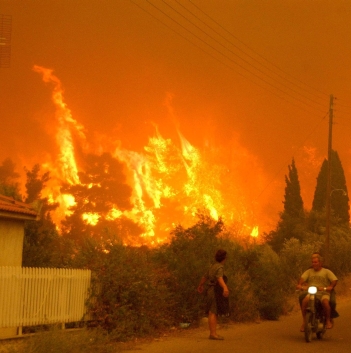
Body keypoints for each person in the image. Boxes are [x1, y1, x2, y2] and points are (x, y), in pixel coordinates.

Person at [296, 253, 338, 332]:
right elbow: (302, 278)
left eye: (315, 262)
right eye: (312, 262)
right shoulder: (309, 271)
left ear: (320, 263)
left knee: (325, 302)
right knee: (305, 301)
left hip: (323, 293)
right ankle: (304, 322)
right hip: (312, 292)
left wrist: (330, 287)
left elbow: (334, 280)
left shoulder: (326, 271)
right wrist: (299, 285)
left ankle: (328, 320)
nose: (314, 264)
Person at [197, 249, 229, 340]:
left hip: (209, 290)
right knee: (214, 312)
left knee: (211, 312)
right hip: (215, 290)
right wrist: (225, 287)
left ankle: (212, 333)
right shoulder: (220, 267)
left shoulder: (213, 266)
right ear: (224, 258)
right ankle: (213, 334)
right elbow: (219, 278)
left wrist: (200, 285)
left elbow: (204, 277)